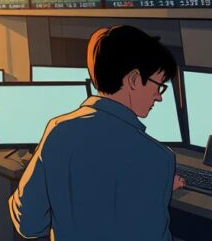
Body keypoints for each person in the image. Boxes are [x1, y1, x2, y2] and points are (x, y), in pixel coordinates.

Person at [9, 26, 185, 240]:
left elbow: (29, 224)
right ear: (134, 79)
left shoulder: (58, 131)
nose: (158, 97)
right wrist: (158, 186)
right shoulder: (159, 157)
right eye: (158, 86)